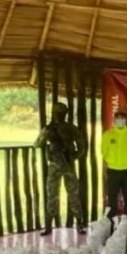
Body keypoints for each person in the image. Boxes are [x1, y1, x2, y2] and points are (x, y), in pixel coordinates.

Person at [35, 101, 87, 236]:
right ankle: (55, 225)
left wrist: (72, 157)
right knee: (61, 195)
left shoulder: (67, 128)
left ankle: (75, 224)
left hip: (62, 165)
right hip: (61, 165)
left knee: (65, 194)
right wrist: (74, 156)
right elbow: (82, 146)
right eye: (58, 113)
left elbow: (37, 144)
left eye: (59, 113)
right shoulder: (55, 129)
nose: (58, 115)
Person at [101, 110, 127, 223]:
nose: (120, 120)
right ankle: (111, 216)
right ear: (114, 120)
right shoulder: (108, 135)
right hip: (113, 170)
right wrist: (110, 164)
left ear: (126, 120)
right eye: (118, 118)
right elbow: (103, 152)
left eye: (122, 118)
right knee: (112, 194)